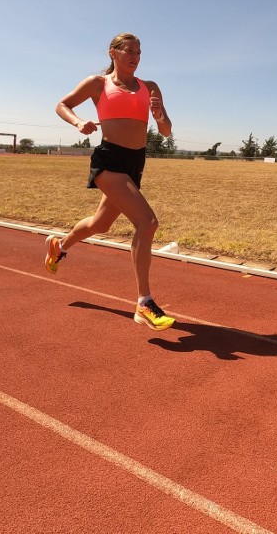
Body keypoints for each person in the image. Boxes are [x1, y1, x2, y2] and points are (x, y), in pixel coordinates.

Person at [47, 32, 175, 331]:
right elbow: (62, 105)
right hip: (109, 160)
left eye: (139, 52)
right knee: (147, 222)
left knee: (100, 224)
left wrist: (158, 115)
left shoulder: (150, 87)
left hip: (135, 163)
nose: (136, 56)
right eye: (129, 50)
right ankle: (144, 303)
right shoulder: (98, 83)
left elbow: (167, 131)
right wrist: (79, 123)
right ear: (113, 53)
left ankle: (59, 245)